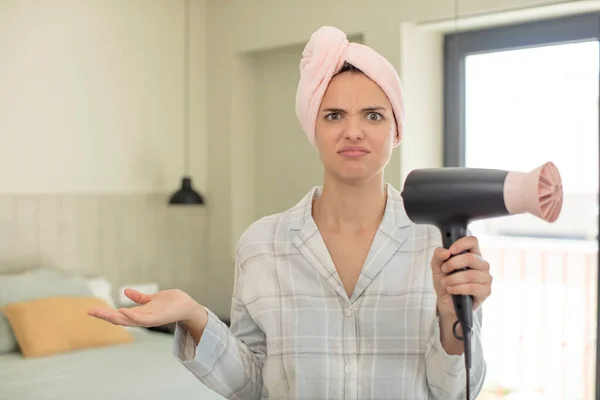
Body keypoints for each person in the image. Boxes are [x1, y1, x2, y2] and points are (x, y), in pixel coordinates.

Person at [88, 25, 490, 399]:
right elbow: (251, 384)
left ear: (396, 130)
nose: (354, 131)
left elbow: (457, 392)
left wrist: (449, 317)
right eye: (334, 115)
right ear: (312, 128)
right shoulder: (262, 244)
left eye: (373, 115)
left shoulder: (439, 244)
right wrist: (195, 316)